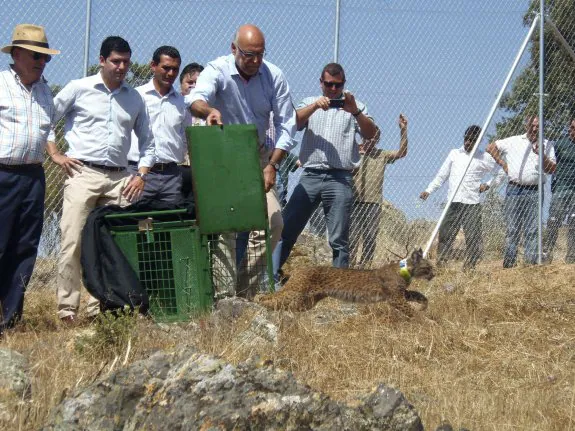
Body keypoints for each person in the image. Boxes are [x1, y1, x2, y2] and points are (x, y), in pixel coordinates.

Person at [47, 36, 155, 322]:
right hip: (83, 173)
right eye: (116, 61)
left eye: (126, 63)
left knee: (113, 244)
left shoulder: (134, 98)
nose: (122, 67)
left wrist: (141, 175)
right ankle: (67, 310)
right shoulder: (78, 88)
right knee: (73, 240)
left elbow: (148, 143)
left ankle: (103, 308)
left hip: (120, 179)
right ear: (102, 61)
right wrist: (55, 153)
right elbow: (47, 118)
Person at [186, 24, 296, 298]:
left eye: (260, 54)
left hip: (258, 157)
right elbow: (195, 98)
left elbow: (287, 126)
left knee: (273, 223)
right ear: (233, 48)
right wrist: (209, 110)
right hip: (223, 156)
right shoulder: (218, 69)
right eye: (249, 54)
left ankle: (245, 292)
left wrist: (272, 165)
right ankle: (224, 296)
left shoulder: (274, 76)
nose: (256, 61)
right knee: (227, 228)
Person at [274, 62, 377, 274]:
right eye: (328, 84)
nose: (333, 89)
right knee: (287, 227)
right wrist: (314, 107)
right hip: (310, 176)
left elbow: (371, 134)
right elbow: (293, 124)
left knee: (339, 238)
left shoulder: (355, 106)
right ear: (321, 83)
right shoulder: (310, 103)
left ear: (344, 84)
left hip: (339, 178)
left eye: (337, 85)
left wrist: (355, 111)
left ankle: (339, 288)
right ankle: (271, 278)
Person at [0, 24, 60, 333]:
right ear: (18, 54)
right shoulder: (0, 84)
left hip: (33, 177)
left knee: (24, 248)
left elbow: (47, 128)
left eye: (45, 58)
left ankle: (10, 320)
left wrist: (55, 153)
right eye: (36, 56)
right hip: (2, 174)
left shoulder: (45, 90)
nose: (41, 62)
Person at [420, 125, 498, 269]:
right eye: (466, 139)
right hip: (453, 202)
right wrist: (429, 190)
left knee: (473, 236)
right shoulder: (454, 154)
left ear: (478, 141)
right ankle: (442, 265)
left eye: (471, 140)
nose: (468, 142)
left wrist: (487, 185)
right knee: (445, 234)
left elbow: (501, 173)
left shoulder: (484, 158)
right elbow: (442, 175)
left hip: (472, 202)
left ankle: (470, 267)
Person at [487, 116, 556, 268]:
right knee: (512, 229)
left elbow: (552, 169)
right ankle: (509, 264)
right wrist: (503, 165)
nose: (534, 128)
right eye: (532, 125)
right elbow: (490, 147)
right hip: (514, 189)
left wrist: (542, 155)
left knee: (533, 229)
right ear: (527, 125)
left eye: (538, 126)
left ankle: (530, 264)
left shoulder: (547, 144)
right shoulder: (514, 140)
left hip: (535, 191)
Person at [127, 46, 192, 203]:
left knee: (170, 223)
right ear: (153, 66)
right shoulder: (136, 96)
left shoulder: (182, 103)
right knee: (135, 223)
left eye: (175, 69)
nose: (170, 74)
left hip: (171, 176)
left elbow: (185, 137)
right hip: (138, 173)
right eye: (166, 68)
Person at [351, 114, 408, 268]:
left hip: (373, 202)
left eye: (375, 138)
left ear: (378, 140)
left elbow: (401, 153)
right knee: (352, 236)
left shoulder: (381, 154)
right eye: (369, 136)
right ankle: (349, 268)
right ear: (362, 136)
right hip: (354, 200)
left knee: (370, 237)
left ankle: (365, 267)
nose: (371, 140)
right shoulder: (353, 151)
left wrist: (403, 131)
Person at [544, 117, 575, 263]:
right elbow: (550, 161)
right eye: (572, 128)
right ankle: (547, 252)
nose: (573, 131)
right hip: (561, 188)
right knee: (553, 220)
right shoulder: (561, 144)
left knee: (574, 222)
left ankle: (571, 257)